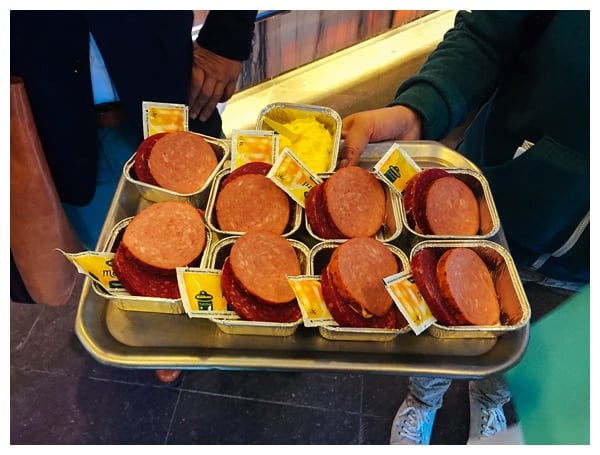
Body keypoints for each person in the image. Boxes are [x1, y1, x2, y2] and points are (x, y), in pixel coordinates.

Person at [338, 10, 589, 444]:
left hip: (582, 276)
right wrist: (420, 110)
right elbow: (490, 35)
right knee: (436, 319)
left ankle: (490, 400)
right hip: (483, 209)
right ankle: (423, 399)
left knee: (522, 345)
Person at [10, 11, 257, 385]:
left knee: (217, 234)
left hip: (169, 86)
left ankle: (228, 327)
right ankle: (161, 328)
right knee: (123, 260)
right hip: (51, 114)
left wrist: (228, 35)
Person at [10, 10, 257, 250]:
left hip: (175, 96)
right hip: (56, 131)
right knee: (117, 269)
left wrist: (227, 37)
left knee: (233, 243)